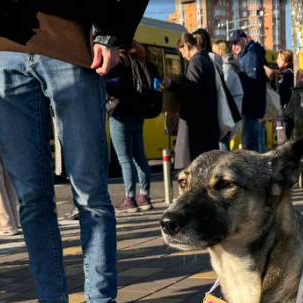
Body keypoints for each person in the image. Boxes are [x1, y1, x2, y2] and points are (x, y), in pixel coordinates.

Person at [0, 0, 145, 303]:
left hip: (73, 43)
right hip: (2, 46)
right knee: (31, 196)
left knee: (90, 190)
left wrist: (113, 34)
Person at [107, 41, 158, 214]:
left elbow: (112, 86)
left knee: (124, 158)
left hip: (119, 114)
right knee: (139, 156)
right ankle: (144, 196)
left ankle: (129, 199)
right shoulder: (140, 62)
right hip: (138, 114)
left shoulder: (119, 62)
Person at [165, 31, 220, 170]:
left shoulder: (196, 61)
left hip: (195, 125)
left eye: (181, 51)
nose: (183, 56)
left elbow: (192, 88)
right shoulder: (207, 59)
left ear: (186, 46)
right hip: (206, 123)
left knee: (192, 168)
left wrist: (172, 85)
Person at [230, 29, 268, 152]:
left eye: (236, 43)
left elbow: (252, 82)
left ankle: (256, 171)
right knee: (256, 142)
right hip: (253, 106)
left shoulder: (250, 55)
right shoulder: (247, 54)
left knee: (251, 143)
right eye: (232, 44)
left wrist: (238, 77)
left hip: (251, 106)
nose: (233, 46)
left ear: (244, 40)